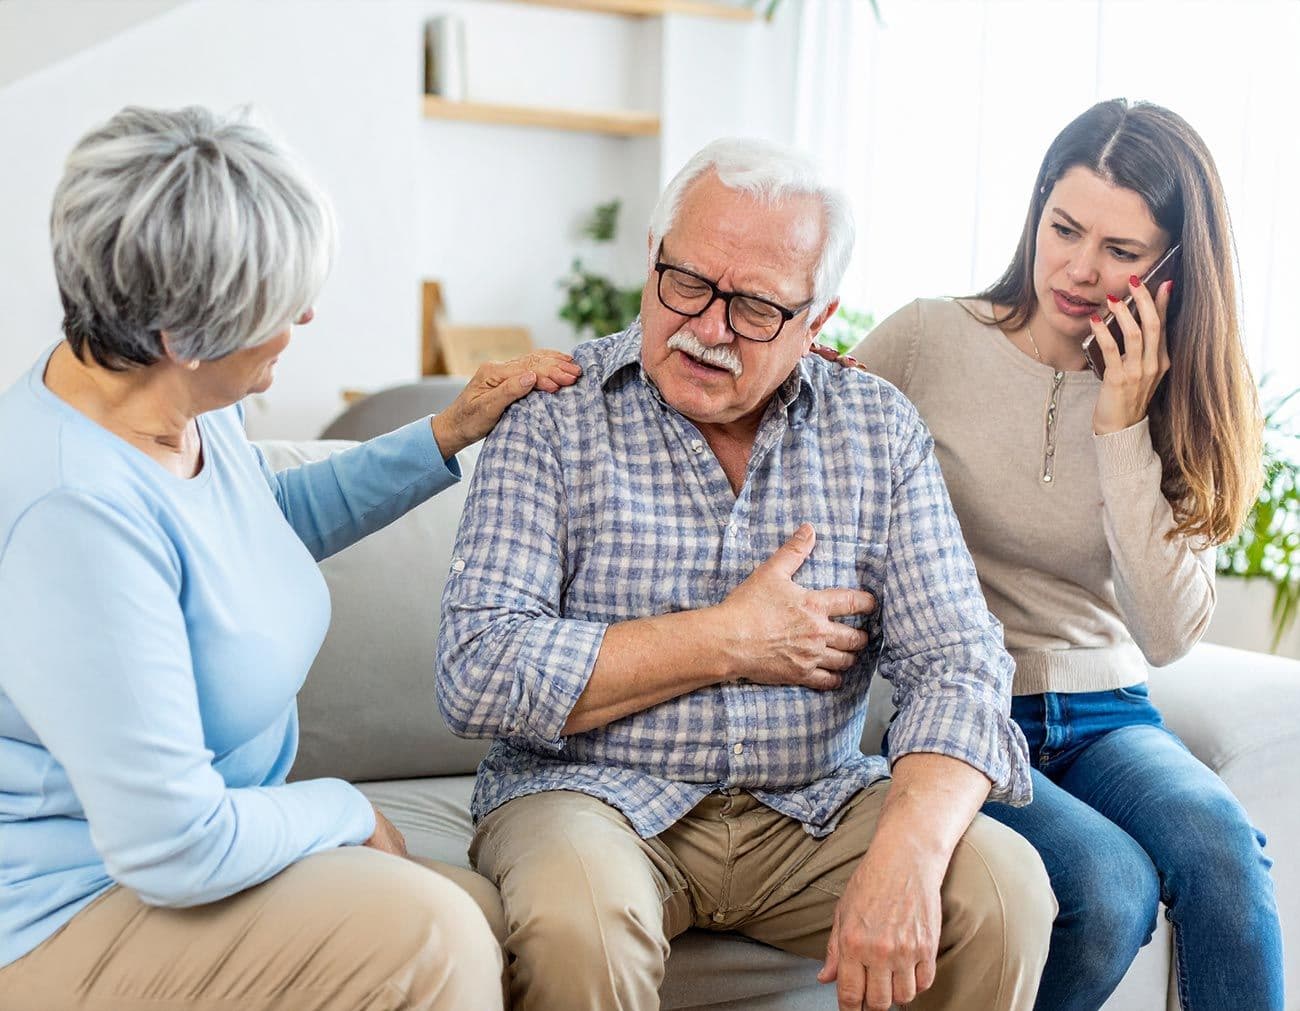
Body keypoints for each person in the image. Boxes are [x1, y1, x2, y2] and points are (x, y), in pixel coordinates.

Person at [436, 136, 1056, 1011]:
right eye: (686, 281)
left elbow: (960, 663)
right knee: (581, 921)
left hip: (813, 807)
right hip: (591, 798)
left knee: (1002, 891)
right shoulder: (552, 417)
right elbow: (478, 671)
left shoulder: (876, 429)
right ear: (652, 255)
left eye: (757, 307)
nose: (708, 327)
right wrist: (728, 639)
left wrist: (910, 854)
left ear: (818, 319)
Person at [0, 105, 581, 1011]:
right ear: (181, 338)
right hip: (73, 903)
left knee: (492, 922)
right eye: (279, 306)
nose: (306, 316)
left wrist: (447, 432)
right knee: (435, 939)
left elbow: (255, 524)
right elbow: (173, 845)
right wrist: (343, 808)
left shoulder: (162, 400)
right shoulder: (72, 517)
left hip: (203, 846)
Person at [845, 98, 1283, 1011]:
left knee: (1222, 849)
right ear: (1036, 210)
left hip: (1106, 713)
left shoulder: (1182, 394)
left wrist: (1123, 424)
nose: (1080, 269)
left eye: (1122, 251)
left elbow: (1166, 633)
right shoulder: (927, 340)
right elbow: (796, 453)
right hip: (960, 713)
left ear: (1173, 266)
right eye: (1064, 228)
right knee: (1110, 887)